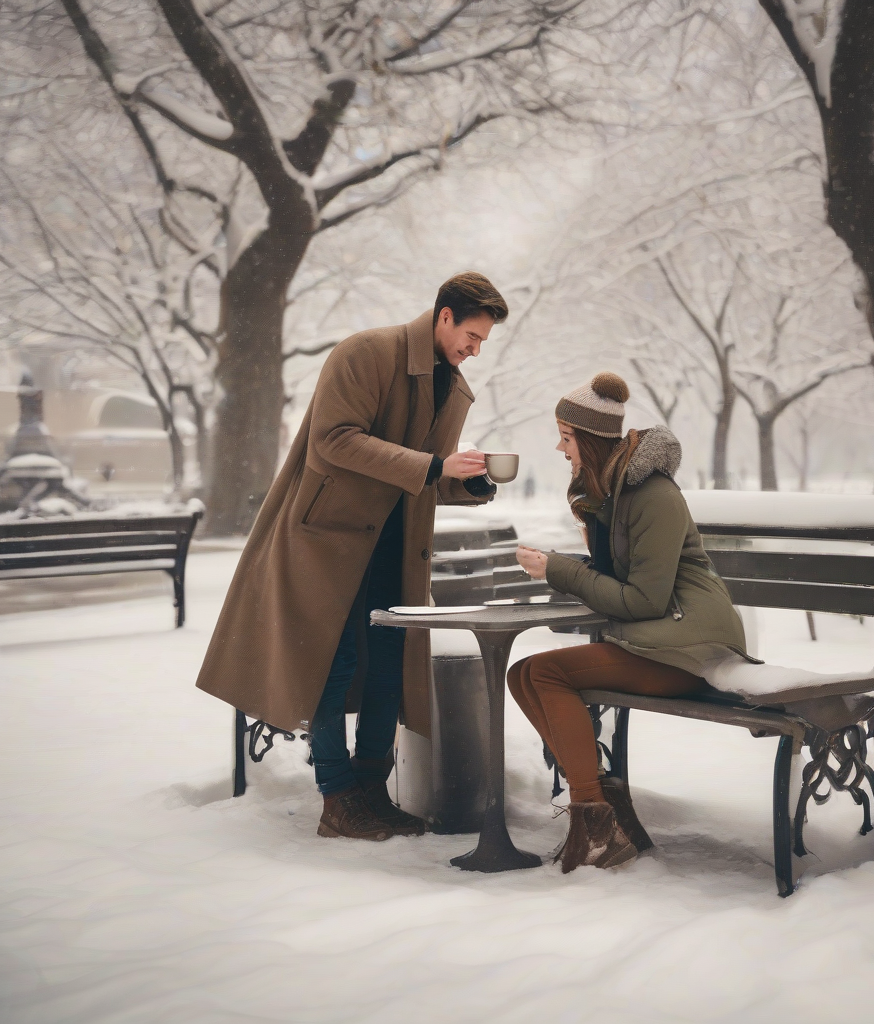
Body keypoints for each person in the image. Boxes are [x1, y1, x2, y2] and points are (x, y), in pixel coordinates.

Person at [196, 273, 508, 841]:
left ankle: (370, 791)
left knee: (390, 663)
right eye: (470, 334)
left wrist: (469, 484)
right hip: (327, 539)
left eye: (482, 341)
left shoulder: (455, 389)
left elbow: (423, 474)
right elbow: (333, 439)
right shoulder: (367, 353)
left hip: (395, 543)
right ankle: (336, 797)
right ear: (443, 316)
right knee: (331, 665)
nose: (474, 349)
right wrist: (436, 468)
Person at [508, 372, 752, 873]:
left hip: (693, 645)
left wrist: (561, 570)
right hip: (664, 639)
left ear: (593, 442)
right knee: (520, 674)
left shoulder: (653, 495)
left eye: (567, 437)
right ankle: (608, 810)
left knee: (547, 673)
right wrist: (567, 555)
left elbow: (644, 600)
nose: (560, 448)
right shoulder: (615, 493)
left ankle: (597, 823)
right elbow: (618, 578)